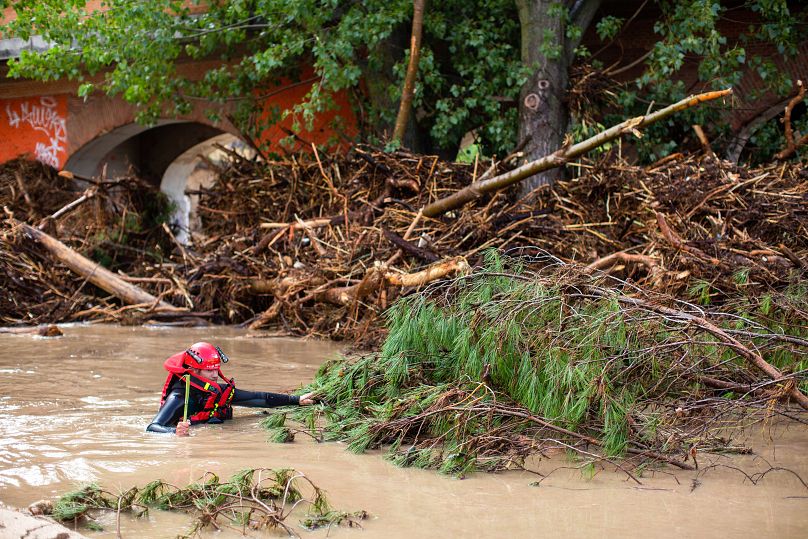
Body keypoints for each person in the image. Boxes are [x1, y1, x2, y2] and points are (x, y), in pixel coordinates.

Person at [147, 342, 315, 436]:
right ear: (194, 371)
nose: (215, 375)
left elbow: (257, 398)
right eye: (209, 370)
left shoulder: (215, 391)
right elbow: (153, 427)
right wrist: (173, 432)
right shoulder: (179, 397)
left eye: (216, 369)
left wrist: (297, 400)